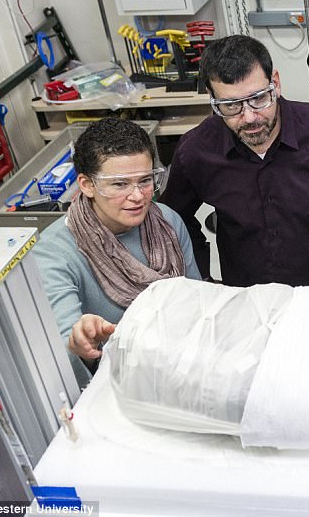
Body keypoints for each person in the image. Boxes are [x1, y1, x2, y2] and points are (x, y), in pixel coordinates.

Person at [159, 35, 309, 287]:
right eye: (231, 105)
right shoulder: (197, 151)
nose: (249, 117)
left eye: (258, 98)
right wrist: (201, 275)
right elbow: (172, 220)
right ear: (212, 98)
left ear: (275, 84)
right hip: (248, 299)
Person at [32, 117, 200, 385]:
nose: (138, 196)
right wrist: (82, 342)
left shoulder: (167, 221)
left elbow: (197, 302)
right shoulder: (55, 253)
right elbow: (68, 351)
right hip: (115, 383)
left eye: (145, 180)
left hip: (184, 366)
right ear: (87, 185)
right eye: (120, 184)